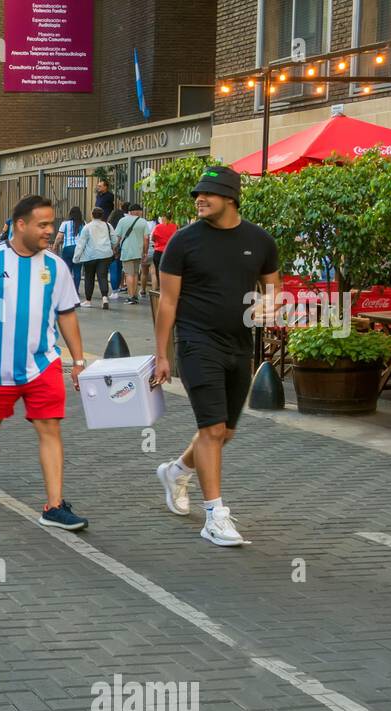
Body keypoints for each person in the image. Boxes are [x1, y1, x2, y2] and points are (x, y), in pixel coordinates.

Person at [153, 166, 280, 547]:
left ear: (230, 198)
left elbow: (273, 286)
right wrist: (162, 354)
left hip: (240, 346)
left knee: (225, 432)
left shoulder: (260, 241)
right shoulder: (183, 242)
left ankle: (176, 472)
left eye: (208, 193)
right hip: (196, 343)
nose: (199, 199)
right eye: (197, 194)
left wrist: (269, 305)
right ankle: (214, 515)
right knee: (210, 429)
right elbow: (168, 302)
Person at [0, 194, 89, 530]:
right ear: (20, 224)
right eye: (42, 224)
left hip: (42, 364)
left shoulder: (56, 266)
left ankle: (54, 505)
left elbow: (67, 315)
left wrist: (78, 360)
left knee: (50, 427)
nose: (50, 230)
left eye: (52, 223)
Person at [72, 207, 118, 309]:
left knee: (89, 277)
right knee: (103, 276)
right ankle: (105, 298)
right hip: (105, 255)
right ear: (102, 215)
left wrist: (76, 257)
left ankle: (88, 301)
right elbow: (115, 240)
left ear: (92, 214)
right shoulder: (108, 225)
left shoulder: (87, 227)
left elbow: (81, 243)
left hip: (90, 256)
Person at [114, 202, 149, 305]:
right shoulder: (143, 222)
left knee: (129, 274)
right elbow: (146, 239)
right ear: (138, 211)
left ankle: (131, 296)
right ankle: (135, 296)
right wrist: (145, 252)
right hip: (139, 252)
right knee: (135, 274)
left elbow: (118, 237)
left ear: (130, 212)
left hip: (127, 251)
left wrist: (114, 248)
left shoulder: (122, 221)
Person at [52, 206, 85, 292]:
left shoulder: (65, 224)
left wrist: (55, 247)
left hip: (67, 249)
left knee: (67, 270)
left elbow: (59, 237)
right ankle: (76, 291)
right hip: (79, 249)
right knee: (77, 271)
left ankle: (67, 291)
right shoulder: (84, 223)